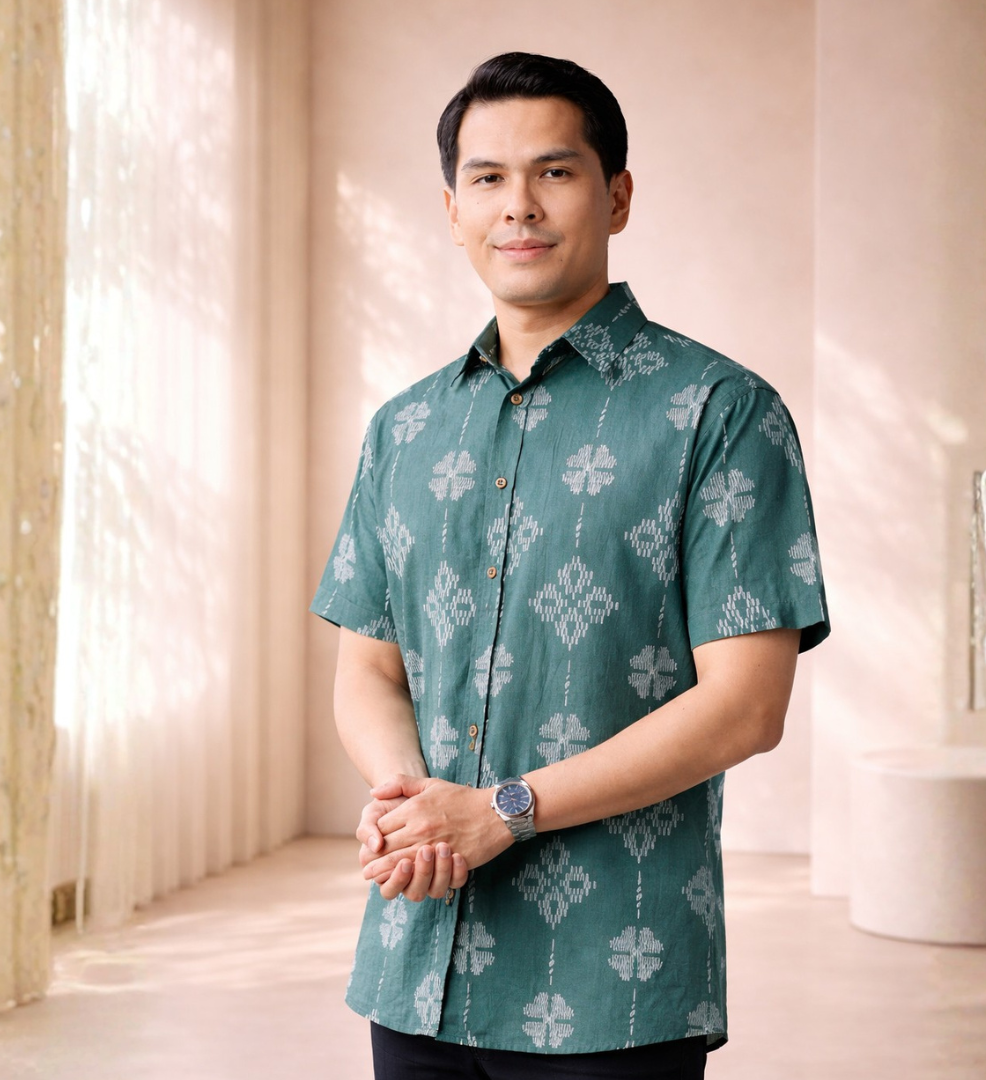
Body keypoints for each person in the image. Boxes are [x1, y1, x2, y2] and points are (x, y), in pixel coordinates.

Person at [310, 51, 830, 1080]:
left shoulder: (721, 414)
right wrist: (407, 800)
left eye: (555, 172)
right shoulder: (402, 430)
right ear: (452, 209)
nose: (520, 208)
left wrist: (499, 810)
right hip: (416, 964)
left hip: (614, 990)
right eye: (489, 179)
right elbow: (368, 668)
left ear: (617, 195)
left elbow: (746, 708)